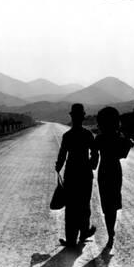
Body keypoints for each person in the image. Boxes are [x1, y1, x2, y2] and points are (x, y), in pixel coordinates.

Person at [55, 103, 98, 247]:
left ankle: (71, 239)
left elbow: (62, 155)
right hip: (85, 174)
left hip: (72, 174)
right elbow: (95, 152)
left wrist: (58, 167)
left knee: (71, 206)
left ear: (72, 117)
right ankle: (84, 232)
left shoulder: (67, 136)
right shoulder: (87, 135)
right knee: (84, 204)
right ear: (83, 117)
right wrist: (92, 164)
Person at [94, 106, 134, 247]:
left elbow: (93, 163)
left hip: (103, 171)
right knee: (114, 201)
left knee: (106, 204)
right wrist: (128, 143)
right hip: (115, 171)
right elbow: (123, 154)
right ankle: (111, 233)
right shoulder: (119, 137)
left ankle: (110, 232)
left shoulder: (99, 138)